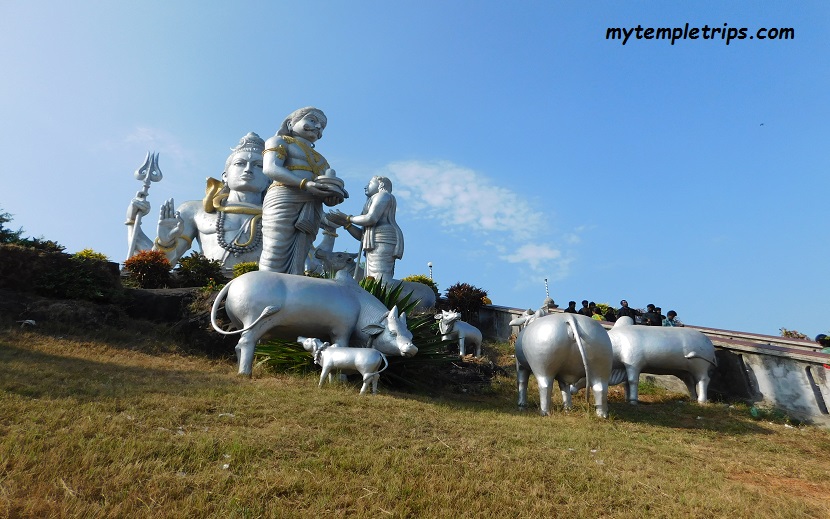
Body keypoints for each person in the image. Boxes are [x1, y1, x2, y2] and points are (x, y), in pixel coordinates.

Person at [125, 132, 270, 271]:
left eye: (259, 165)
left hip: (264, 288)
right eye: (240, 163)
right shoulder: (194, 210)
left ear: (269, 179)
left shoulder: (280, 215)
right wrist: (136, 224)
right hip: (209, 285)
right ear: (225, 176)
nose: (248, 170)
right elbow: (162, 264)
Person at [259, 107, 346, 275]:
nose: (318, 127)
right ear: (291, 123)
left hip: (311, 206)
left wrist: (332, 196)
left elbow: (324, 187)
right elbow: (270, 168)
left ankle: (291, 294)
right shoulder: (279, 141)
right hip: (284, 197)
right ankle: (265, 291)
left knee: (301, 254)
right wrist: (305, 184)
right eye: (312, 120)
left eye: (322, 125)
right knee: (276, 247)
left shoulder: (322, 160)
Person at [328, 176, 404, 281]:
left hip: (383, 237)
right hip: (375, 239)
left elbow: (371, 218)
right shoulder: (372, 199)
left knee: (380, 278)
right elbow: (362, 236)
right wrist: (346, 224)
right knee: (371, 278)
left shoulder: (383, 195)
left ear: (381, 184)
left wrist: (348, 218)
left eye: (370, 183)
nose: (365, 187)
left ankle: (416, 292)